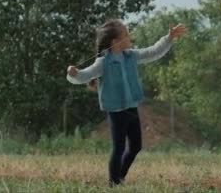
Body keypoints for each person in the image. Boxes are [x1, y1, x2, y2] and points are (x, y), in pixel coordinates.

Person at [66, 19, 186, 186]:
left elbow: (153, 52)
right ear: (116, 42)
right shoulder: (103, 62)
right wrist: (73, 74)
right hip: (116, 111)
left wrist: (169, 38)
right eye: (126, 34)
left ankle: (118, 179)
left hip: (131, 107)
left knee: (136, 146)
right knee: (119, 148)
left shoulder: (131, 55)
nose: (130, 37)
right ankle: (113, 183)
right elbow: (85, 75)